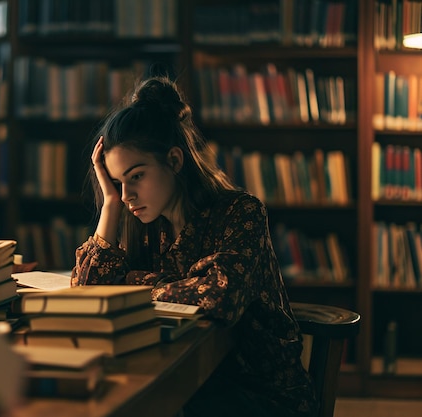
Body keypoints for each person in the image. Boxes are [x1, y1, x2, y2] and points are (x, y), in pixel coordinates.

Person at [71, 76, 318, 417]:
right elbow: (87, 293)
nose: (128, 195)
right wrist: (110, 204)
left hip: (261, 394)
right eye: (117, 182)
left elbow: (220, 296)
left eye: (136, 176)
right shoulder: (140, 223)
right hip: (190, 384)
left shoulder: (240, 212)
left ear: (174, 161)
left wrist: (130, 282)